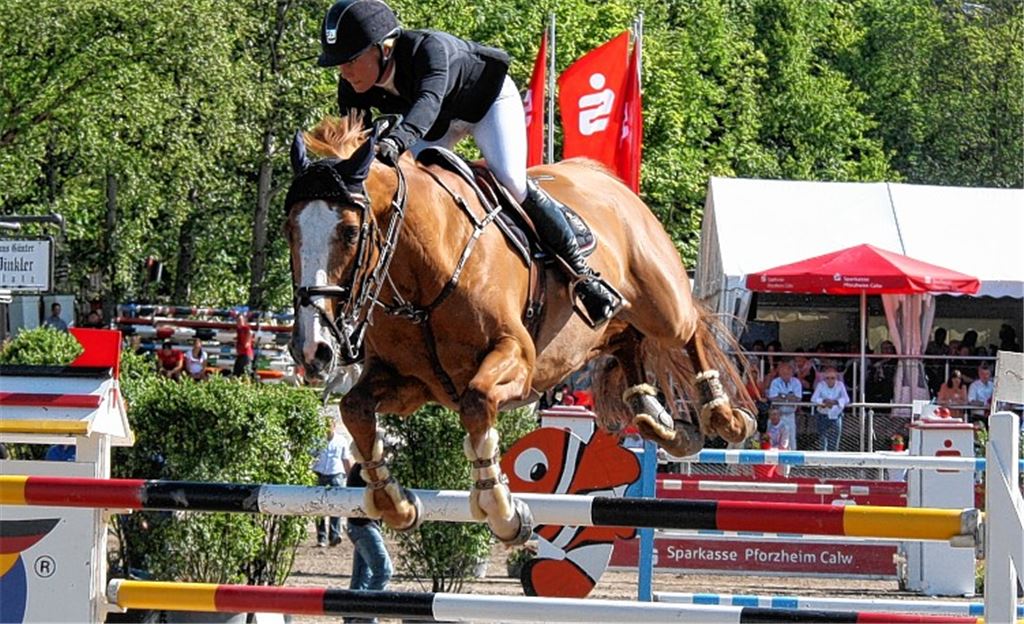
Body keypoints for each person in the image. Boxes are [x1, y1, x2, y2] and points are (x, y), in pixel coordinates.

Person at [317, 0, 620, 326]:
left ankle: (583, 274)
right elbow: (355, 144)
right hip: (437, 125)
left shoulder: (427, 50)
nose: (344, 72)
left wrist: (394, 142)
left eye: (351, 60)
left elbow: (427, 103)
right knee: (414, 195)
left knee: (510, 179)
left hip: (487, 105)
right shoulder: (352, 86)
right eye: (339, 63)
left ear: (385, 48)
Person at [345, 464, 393, 623]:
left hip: (360, 526)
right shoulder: (368, 468)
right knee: (383, 570)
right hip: (364, 527)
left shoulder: (362, 467)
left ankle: (353, 618)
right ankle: (363, 618)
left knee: (361, 579)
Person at [312, 418, 352, 547]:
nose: (327, 428)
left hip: (336, 474)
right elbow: (310, 455)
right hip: (319, 474)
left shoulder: (341, 440)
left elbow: (345, 459)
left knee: (336, 505)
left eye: (329, 425)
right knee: (319, 505)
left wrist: (350, 476)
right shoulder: (317, 439)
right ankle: (321, 537)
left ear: (334, 426)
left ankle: (334, 535)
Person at [811, 367, 850, 452]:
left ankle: (833, 463)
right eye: (827, 378)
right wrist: (824, 401)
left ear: (836, 378)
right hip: (822, 415)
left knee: (834, 441)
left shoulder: (840, 385)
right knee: (822, 441)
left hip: (836, 416)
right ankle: (822, 463)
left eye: (832, 378)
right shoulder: (820, 385)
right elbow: (814, 399)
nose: (830, 380)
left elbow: (846, 399)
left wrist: (835, 402)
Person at [767, 361, 801, 451]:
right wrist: (788, 397)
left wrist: (782, 396)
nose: (786, 375)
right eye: (784, 373)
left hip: (790, 415)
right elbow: (773, 397)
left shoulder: (796, 382)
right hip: (777, 416)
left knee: (791, 438)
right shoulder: (775, 382)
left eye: (788, 373)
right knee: (775, 439)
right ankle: (774, 462)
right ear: (780, 373)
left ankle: (792, 462)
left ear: (792, 373)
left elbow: (797, 398)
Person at [233, 312, 254, 378]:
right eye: (237, 320)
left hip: (246, 354)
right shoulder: (239, 330)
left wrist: (247, 342)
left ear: (244, 321)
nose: (238, 322)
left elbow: (250, 332)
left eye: (240, 320)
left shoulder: (245, 328)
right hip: (241, 354)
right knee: (236, 373)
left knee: (245, 373)